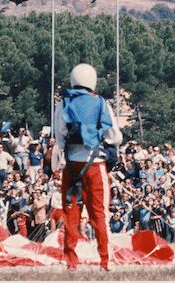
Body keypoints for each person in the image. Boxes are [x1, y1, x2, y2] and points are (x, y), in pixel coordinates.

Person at [53, 63, 122, 271]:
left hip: (71, 166)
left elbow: (60, 138)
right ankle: (105, 262)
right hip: (95, 165)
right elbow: (114, 136)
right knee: (99, 215)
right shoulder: (101, 102)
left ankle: (71, 264)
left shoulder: (63, 103)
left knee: (70, 215)